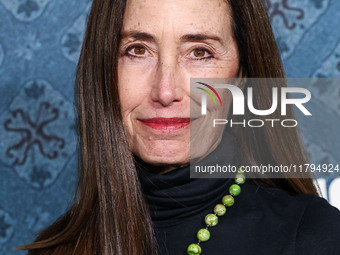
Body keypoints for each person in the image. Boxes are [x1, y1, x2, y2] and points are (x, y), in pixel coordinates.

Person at [18, 0, 340, 254]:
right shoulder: (58, 249)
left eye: (200, 53)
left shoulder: (318, 237)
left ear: (242, 77)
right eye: (138, 50)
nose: (165, 91)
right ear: (102, 70)